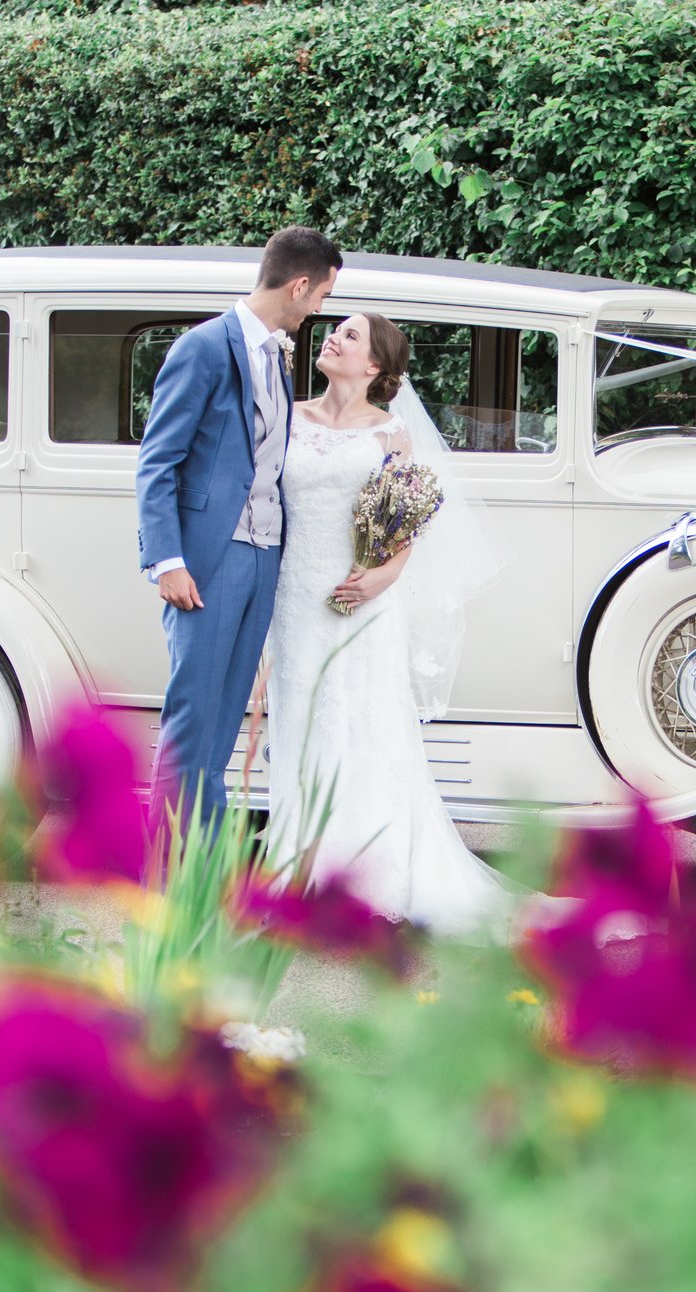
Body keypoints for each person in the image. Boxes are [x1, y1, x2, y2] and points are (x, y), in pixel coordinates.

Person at [259, 313, 515, 933]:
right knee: (303, 726)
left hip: (363, 601)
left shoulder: (391, 432)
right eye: (335, 331)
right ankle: (302, 873)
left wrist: (385, 574)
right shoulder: (287, 416)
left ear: (374, 365)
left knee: (364, 727)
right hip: (295, 599)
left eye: (350, 335)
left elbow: (407, 516)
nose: (333, 338)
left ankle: (369, 878)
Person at [135, 226, 341, 825]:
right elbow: (158, 462)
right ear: (299, 286)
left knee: (225, 721)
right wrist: (167, 560)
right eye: (322, 295)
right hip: (209, 557)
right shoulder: (202, 348)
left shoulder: (277, 355)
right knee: (193, 716)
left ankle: (202, 862)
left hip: (264, 556)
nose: (319, 308)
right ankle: (169, 868)